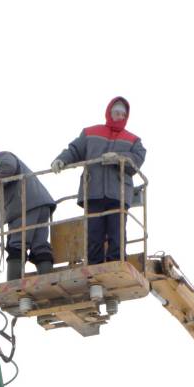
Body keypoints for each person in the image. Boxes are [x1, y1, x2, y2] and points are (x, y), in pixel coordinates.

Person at [51, 96, 146, 264]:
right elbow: (74, 150)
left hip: (118, 194)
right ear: (109, 112)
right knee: (94, 232)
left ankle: (116, 263)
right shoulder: (90, 133)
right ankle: (94, 266)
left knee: (117, 233)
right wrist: (61, 159)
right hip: (93, 191)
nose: (119, 116)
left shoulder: (133, 140)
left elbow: (138, 159)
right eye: (116, 112)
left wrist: (119, 157)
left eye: (123, 114)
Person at [0, 146, 55, 280]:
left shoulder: (0, 158)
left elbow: (9, 165)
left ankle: (13, 285)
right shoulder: (0, 160)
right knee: (40, 246)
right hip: (40, 204)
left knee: (16, 245)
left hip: (25, 206)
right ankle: (49, 283)